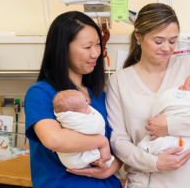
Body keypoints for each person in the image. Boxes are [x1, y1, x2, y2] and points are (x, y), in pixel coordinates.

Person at [106, 3, 190, 187]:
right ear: (138, 36)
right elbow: (118, 140)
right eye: (158, 41)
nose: (167, 48)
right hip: (146, 181)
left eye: (172, 41)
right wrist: (155, 163)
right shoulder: (119, 81)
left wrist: (170, 126)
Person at [25, 11, 122, 188]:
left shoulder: (99, 96)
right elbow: (54, 139)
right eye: (87, 47)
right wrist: (101, 142)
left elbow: (119, 145)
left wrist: (109, 169)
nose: (96, 53)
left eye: (98, 45)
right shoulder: (41, 93)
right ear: (62, 49)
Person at [138, 72, 190, 156]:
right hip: (153, 164)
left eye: (184, 87)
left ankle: (150, 149)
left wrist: (168, 126)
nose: (179, 87)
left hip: (189, 153)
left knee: (173, 143)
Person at [53, 90, 115, 169]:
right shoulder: (79, 121)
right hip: (76, 158)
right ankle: (94, 160)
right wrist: (103, 141)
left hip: (67, 162)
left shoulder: (62, 117)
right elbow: (97, 128)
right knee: (100, 158)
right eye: (86, 107)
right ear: (76, 114)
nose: (88, 105)